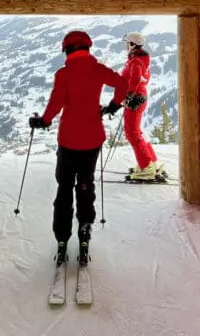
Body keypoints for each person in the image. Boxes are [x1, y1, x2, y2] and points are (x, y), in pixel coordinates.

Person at [29, 30, 129, 267]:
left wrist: (43, 121)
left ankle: (62, 238)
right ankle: (85, 230)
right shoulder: (98, 69)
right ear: (87, 48)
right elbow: (122, 83)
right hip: (93, 139)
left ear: (67, 50)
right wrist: (113, 106)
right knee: (85, 184)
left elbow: (56, 102)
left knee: (64, 188)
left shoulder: (64, 74)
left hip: (68, 140)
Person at [121, 32, 163, 181]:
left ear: (132, 45)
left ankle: (146, 166)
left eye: (127, 43)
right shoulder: (140, 59)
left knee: (132, 133)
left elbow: (135, 79)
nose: (125, 45)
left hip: (135, 99)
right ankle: (151, 162)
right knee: (136, 131)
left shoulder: (136, 62)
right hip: (140, 97)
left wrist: (129, 95)